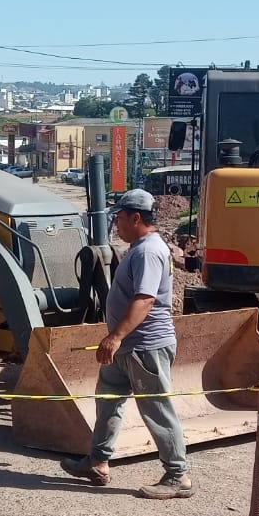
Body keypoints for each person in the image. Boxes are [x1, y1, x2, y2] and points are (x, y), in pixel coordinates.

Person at [61, 188, 192, 499]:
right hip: (128, 348)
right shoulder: (142, 247)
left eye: (119, 218)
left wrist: (115, 336)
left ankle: (178, 475)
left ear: (136, 218)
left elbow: (145, 300)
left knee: (157, 408)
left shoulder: (148, 251)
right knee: (108, 401)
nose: (116, 224)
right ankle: (97, 461)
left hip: (144, 346)